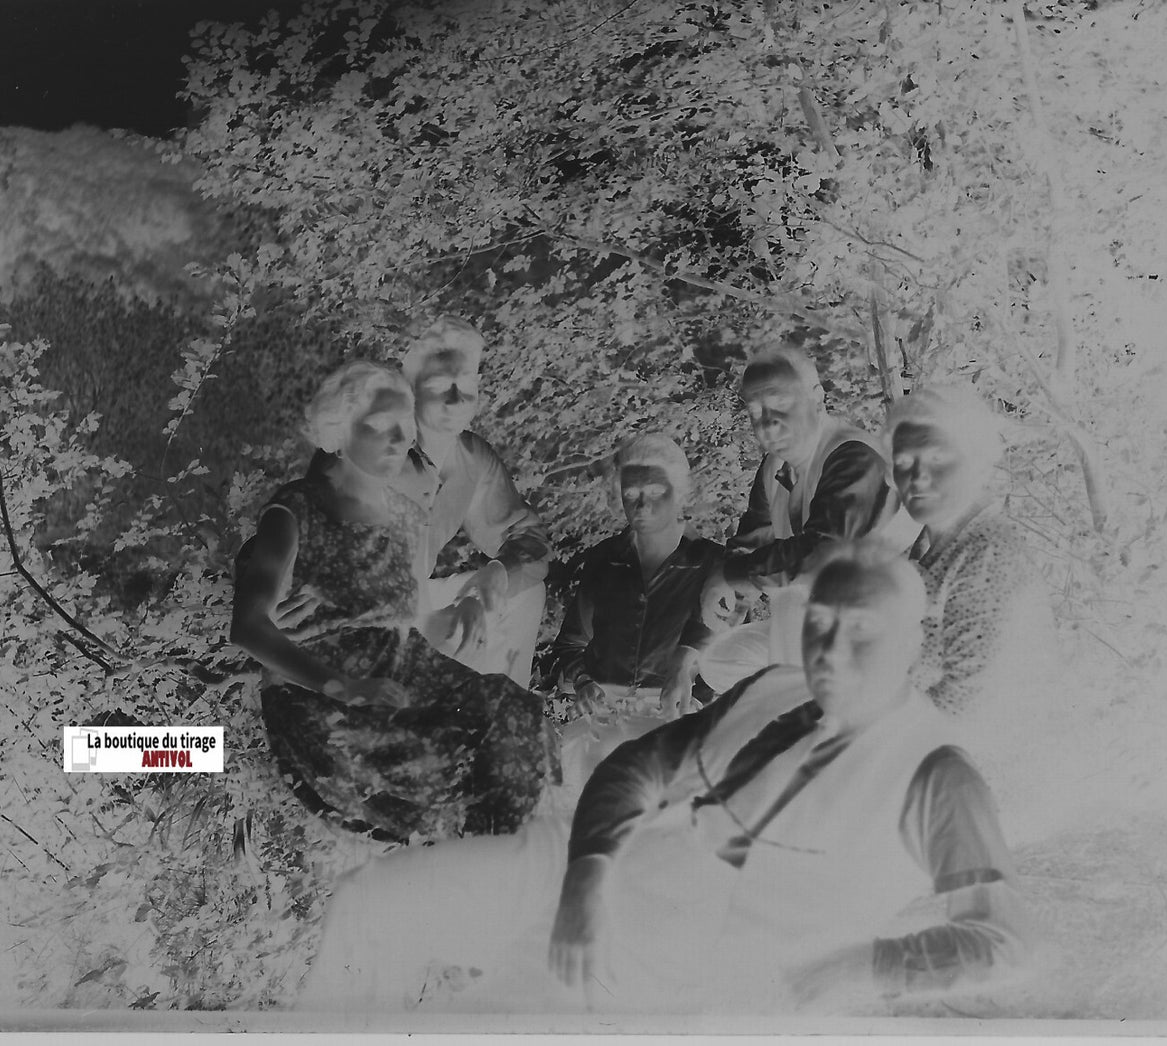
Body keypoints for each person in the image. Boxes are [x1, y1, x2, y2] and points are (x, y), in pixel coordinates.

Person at [299, 547, 1032, 1014]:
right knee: (371, 905)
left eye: (862, 628)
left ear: (912, 643)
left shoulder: (935, 771)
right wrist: (584, 880)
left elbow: (1002, 941)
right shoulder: (776, 686)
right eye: (821, 622)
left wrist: (858, 964)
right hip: (583, 864)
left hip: (663, 960)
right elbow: (639, 766)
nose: (831, 648)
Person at [231, 361, 557, 843]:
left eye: (404, 426)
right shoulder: (298, 507)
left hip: (401, 664)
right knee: (436, 757)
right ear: (341, 431)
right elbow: (249, 623)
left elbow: (416, 616)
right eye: (379, 425)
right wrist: (344, 685)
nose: (397, 439)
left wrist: (464, 610)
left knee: (516, 716)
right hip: (322, 690)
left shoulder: (408, 513)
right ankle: (454, 850)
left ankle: (499, 855)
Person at [696, 344, 902, 691]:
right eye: (755, 410)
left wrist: (733, 574)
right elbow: (751, 540)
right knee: (720, 660)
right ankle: (790, 695)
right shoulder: (776, 465)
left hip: (871, 631)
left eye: (780, 403)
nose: (767, 423)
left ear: (817, 398)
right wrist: (731, 597)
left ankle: (805, 704)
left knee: (795, 602)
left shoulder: (853, 458)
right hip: (809, 628)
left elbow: (821, 555)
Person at [547, 434, 723, 786]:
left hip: (676, 719)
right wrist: (583, 682)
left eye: (656, 491)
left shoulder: (713, 564)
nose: (641, 505)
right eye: (631, 494)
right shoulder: (604, 559)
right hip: (603, 721)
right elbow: (570, 644)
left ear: (681, 493)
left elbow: (723, 654)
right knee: (572, 788)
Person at [396, 317, 553, 687]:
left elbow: (531, 541)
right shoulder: (385, 449)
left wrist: (495, 575)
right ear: (412, 389)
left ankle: (505, 708)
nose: (456, 400)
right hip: (358, 608)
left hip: (414, 599)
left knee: (521, 590)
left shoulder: (472, 457)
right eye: (439, 386)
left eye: (466, 384)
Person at [882, 385, 1056, 715]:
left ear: (976, 461)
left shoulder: (989, 553)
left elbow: (964, 704)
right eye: (903, 461)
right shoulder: (923, 547)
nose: (916, 476)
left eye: (936, 458)